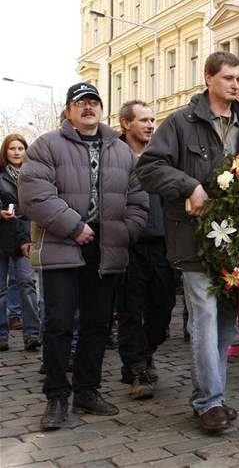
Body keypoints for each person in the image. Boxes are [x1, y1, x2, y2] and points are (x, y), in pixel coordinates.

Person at [137, 52, 239, 432]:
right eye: (227, 78)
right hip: (193, 239)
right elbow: (149, 168)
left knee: (226, 323)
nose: (235, 84)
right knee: (205, 320)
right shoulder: (180, 122)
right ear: (208, 78)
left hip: (236, 240)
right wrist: (189, 185)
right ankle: (209, 402)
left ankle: (212, 397)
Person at [18, 82, 148, 430]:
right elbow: (34, 194)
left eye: (94, 102)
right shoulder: (47, 145)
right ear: (68, 111)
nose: (88, 107)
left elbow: (138, 200)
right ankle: (57, 396)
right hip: (64, 244)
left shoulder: (120, 151)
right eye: (81, 103)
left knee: (97, 325)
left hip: (106, 248)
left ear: (102, 109)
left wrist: (127, 230)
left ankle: (88, 391)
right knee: (59, 324)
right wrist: (75, 227)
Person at [116, 100, 177, 399]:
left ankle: (146, 351)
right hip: (129, 245)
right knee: (130, 310)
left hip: (162, 244)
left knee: (163, 310)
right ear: (126, 123)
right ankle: (137, 368)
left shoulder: (161, 158)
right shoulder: (113, 157)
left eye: (153, 119)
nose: (151, 125)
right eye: (143, 120)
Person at [0, 134, 41, 352]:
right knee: (1, 290)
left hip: (24, 236)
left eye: (20, 148)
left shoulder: (32, 174)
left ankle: (32, 334)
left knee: (27, 284)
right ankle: (1, 335)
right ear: (5, 152)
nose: (16, 152)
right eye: (11, 148)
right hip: (1, 235)